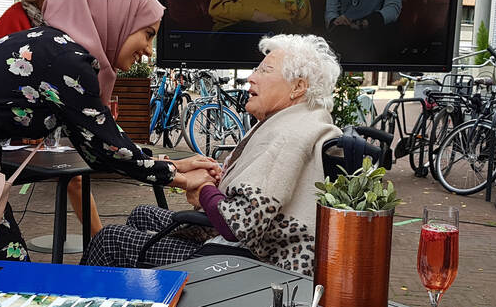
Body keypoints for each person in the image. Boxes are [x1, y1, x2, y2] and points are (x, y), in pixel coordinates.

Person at [0, 0, 218, 304]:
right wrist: (180, 178)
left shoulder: (52, 44)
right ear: (117, 16)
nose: (149, 50)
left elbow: (101, 140)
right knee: (8, 286)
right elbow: (107, 149)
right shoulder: (68, 60)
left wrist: (173, 165)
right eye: (147, 34)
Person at [81, 33, 343, 275]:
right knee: (142, 214)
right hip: (256, 247)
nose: (252, 77)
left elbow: (239, 224)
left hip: (255, 266)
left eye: (265, 70)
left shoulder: (288, 137)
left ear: (298, 87)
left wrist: (206, 188)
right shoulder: (303, 121)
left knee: (109, 240)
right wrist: (218, 177)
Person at [0, 0, 103, 237]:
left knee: (74, 178)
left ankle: (100, 241)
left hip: (43, 121)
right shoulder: (10, 23)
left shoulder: (57, 20)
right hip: (8, 126)